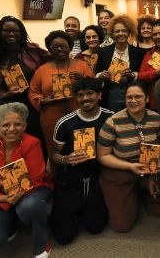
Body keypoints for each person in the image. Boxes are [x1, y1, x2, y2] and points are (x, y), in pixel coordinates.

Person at [0, 102, 53, 258]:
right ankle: (13, 222)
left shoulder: (32, 143)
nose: (11, 129)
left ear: (24, 126)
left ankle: (42, 243)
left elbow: (34, 180)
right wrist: (3, 199)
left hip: (32, 192)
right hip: (1, 197)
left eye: (17, 124)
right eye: (6, 125)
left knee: (29, 206)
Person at [97, 82, 160, 232]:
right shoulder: (113, 122)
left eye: (138, 97)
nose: (133, 101)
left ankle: (143, 190)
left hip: (148, 168)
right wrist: (130, 166)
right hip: (122, 170)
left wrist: (153, 172)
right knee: (121, 226)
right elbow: (103, 156)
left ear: (147, 99)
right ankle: (131, 195)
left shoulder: (156, 118)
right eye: (129, 97)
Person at [49, 77, 114, 245]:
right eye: (80, 95)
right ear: (75, 98)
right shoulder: (65, 123)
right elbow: (53, 155)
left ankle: (83, 208)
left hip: (95, 178)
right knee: (64, 237)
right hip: (68, 179)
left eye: (90, 93)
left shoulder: (111, 118)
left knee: (96, 227)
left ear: (99, 95)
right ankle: (70, 209)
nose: (85, 98)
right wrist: (66, 159)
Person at [0, 17, 50, 152]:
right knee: (13, 143)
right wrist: (5, 94)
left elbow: (52, 62)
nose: (11, 34)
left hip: (33, 104)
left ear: (22, 32)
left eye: (15, 30)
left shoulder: (34, 51)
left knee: (36, 140)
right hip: (9, 106)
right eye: (6, 31)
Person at [28, 31, 94, 154]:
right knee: (55, 151)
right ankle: (56, 173)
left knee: (83, 149)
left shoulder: (82, 66)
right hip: (51, 116)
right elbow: (33, 91)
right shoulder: (42, 70)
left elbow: (94, 88)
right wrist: (42, 100)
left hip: (80, 114)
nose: (60, 49)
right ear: (49, 49)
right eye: (55, 47)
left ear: (69, 47)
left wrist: (83, 80)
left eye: (63, 46)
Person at [94, 14, 145, 111]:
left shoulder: (138, 52)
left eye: (124, 31)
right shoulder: (103, 51)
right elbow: (96, 73)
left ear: (129, 32)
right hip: (110, 94)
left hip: (132, 94)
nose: (120, 34)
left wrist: (133, 75)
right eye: (117, 31)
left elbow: (142, 75)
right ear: (112, 33)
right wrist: (101, 75)